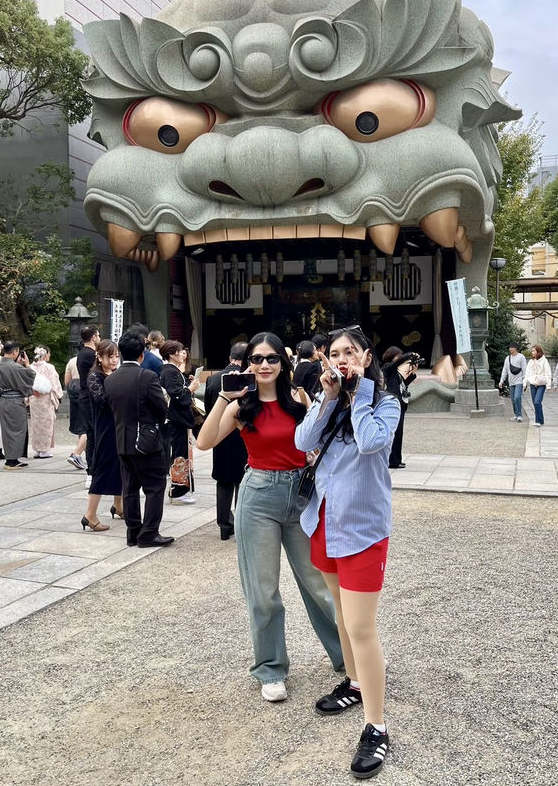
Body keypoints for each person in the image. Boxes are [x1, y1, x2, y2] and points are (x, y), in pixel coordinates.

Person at [197, 332, 343, 703]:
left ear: (283, 362)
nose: (265, 365)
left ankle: (347, 655)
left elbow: (316, 437)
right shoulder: (241, 406)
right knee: (263, 591)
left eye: (272, 358)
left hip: (299, 494)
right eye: (257, 358)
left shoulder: (297, 397)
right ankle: (271, 667)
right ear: (249, 363)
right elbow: (204, 441)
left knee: (318, 583)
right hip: (258, 496)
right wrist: (225, 398)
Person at [295, 325, 400, 780]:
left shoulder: (386, 402)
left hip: (362, 530)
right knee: (341, 615)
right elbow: (302, 442)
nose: (340, 359)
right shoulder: (330, 401)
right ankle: (355, 683)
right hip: (324, 522)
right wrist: (328, 398)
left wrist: (358, 392)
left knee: (361, 626)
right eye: (333, 353)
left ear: (365, 356)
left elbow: (375, 443)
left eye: (349, 353)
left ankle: (376, 726)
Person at [104, 330, 173, 548]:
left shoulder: (111, 379)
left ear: (121, 353)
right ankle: (149, 532)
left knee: (130, 488)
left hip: (122, 439)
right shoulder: (147, 376)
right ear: (142, 354)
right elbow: (161, 407)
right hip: (146, 440)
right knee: (154, 487)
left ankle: (133, 532)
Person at [203, 342, 248, 540]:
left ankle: (223, 525)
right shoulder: (246, 380)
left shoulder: (213, 379)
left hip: (219, 436)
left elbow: (207, 407)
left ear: (231, 357)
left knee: (223, 481)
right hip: (240, 437)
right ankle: (240, 524)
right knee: (241, 480)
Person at [81, 340, 124, 532]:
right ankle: (89, 515)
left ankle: (119, 505)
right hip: (105, 429)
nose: (114, 360)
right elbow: (102, 401)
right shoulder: (94, 377)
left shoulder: (115, 374)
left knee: (122, 466)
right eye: (110, 356)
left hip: (120, 426)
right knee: (103, 469)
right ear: (99, 357)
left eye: (116, 356)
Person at [159, 340, 200, 504]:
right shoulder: (169, 371)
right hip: (176, 419)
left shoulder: (172, 371)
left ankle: (180, 489)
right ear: (171, 354)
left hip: (179, 419)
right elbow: (177, 395)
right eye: (179, 351)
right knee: (179, 454)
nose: (182, 354)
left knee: (182, 452)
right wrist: (190, 388)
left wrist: (188, 384)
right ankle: (177, 491)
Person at [0, 342, 36, 469]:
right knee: (18, 429)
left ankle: (11, 458)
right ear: (15, 352)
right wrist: (27, 365)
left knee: (7, 430)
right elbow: (30, 376)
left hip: (3, 400)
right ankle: (12, 460)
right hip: (15, 401)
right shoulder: (16, 367)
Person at [382, 348, 418, 468]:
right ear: (392, 356)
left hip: (400, 403)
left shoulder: (396, 372)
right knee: (395, 432)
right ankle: (392, 460)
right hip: (393, 402)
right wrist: (408, 356)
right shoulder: (387, 368)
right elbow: (396, 364)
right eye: (398, 356)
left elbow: (403, 385)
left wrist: (412, 373)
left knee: (399, 433)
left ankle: (397, 459)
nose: (400, 358)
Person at [29, 346, 62, 458]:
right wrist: (58, 394)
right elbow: (54, 382)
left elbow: (27, 382)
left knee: (36, 424)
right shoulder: (49, 367)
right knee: (46, 424)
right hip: (46, 399)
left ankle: (37, 450)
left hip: (34, 398)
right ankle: (44, 451)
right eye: (49, 353)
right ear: (45, 354)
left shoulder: (30, 367)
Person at [77, 325, 101, 484]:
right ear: (93, 337)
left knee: (92, 433)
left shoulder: (82, 353)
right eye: (98, 336)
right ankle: (92, 471)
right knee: (92, 433)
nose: (99, 338)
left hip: (86, 396)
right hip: (90, 396)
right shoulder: (90, 354)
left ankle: (93, 471)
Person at [64, 353, 88, 468]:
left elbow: (66, 381)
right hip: (85, 389)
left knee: (80, 426)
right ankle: (76, 453)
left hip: (73, 389)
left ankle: (85, 454)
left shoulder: (72, 361)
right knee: (89, 426)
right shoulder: (93, 357)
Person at [523, 345, 551, 427]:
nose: (532, 352)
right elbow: (527, 373)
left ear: (538, 352)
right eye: (532, 351)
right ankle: (539, 420)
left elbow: (548, 373)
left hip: (541, 384)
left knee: (537, 401)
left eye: (534, 351)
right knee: (535, 403)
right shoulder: (531, 361)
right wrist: (524, 384)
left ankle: (538, 421)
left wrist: (548, 385)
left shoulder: (544, 361)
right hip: (532, 384)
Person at [498, 343, 527, 422]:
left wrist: (525, 382)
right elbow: (505, 370)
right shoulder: (507, 358)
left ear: (516, 348)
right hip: (511, 382)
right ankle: (516, 414)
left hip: (519, 381)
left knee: (517, 397)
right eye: (510, 347)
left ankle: (520, 415)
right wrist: (501, 381)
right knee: (513, 400)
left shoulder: (521, 357)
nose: (510, 349)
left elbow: (524, 369)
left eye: (512, 347)